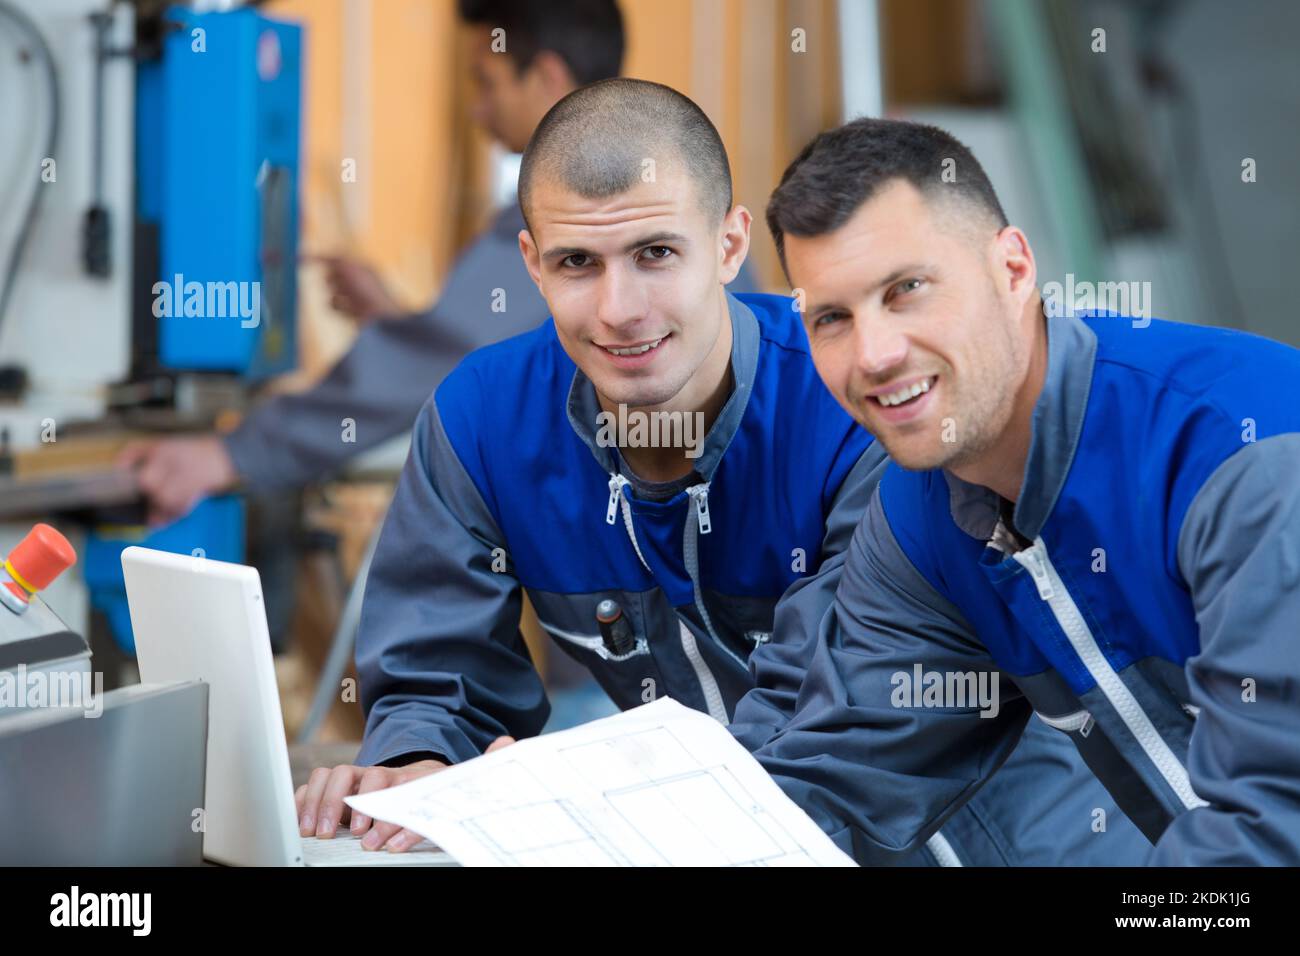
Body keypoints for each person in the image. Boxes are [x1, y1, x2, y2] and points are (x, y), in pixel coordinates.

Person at [295, 79, 1147, 867]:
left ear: (731, 242)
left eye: (657, 252)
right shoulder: (481, 423)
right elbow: (435, 676)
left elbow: (839, 720)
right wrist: (416, 771)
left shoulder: (861, 400)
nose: (619, 310)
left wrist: (560, 793)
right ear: (531, 262)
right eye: (576, 264)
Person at [749, 115, 1300, 864]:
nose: (874, 355)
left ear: (1012, 271)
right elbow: (830, 782)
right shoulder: (925, 521)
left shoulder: (1243, 457)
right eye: (832, 318)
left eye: (907, 289)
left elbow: (1273, 834)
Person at [117, 0, 632, 521]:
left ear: (546, 75)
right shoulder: (633, 185)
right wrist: (401, 324)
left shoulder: (570, 208)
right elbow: (497, 353)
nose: (478, 109)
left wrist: (230, 453)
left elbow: (454, 357)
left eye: (487, 81)